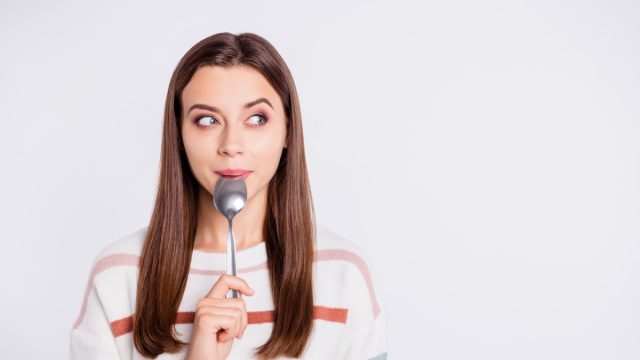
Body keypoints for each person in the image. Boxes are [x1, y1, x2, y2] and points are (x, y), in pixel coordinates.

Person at [69, 32, 387, 360]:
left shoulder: (343, 274)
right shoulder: (118, 276)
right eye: (207, 120)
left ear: (288, 130)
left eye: (256, 119)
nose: (231, 144)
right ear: (179, 132)